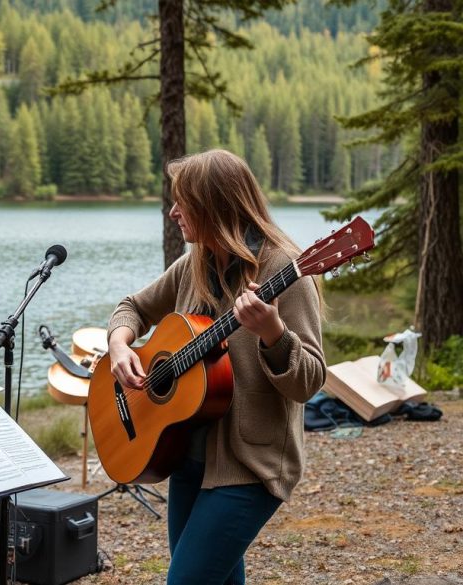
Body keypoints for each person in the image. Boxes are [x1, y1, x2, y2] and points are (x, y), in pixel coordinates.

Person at [106, 149, 326, 585]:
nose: (172, 212)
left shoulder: (285, 269)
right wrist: (118, 344)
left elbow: (310, 381)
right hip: (185, 453)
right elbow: (132, 306)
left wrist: (274, 334)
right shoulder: (195, 264)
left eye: (181, 202)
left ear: (214, 206)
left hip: (249, 464)